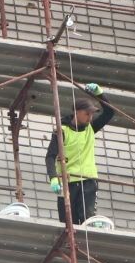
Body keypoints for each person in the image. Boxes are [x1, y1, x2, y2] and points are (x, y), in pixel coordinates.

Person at [45, 83, 113, 226]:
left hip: (88, 180)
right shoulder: (62, 131)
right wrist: (53, 178)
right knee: (67, 221)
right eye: (87, 113)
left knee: (87, 217)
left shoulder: (91, 128)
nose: (90, 117)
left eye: (92, 114)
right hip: (67, 180)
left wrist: (99, 93)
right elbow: (50, 156)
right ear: (77, 112)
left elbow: (109, 113)